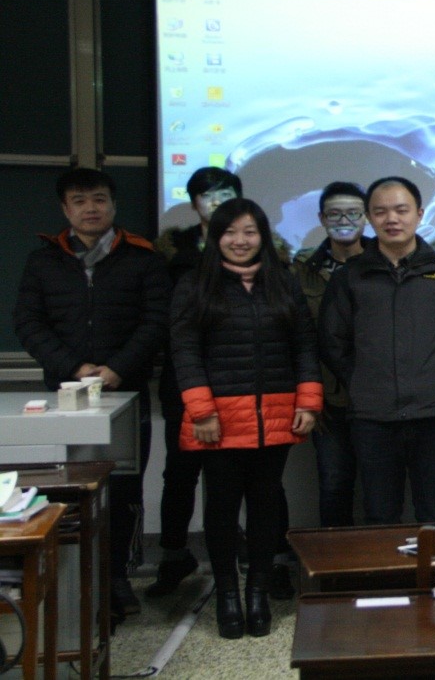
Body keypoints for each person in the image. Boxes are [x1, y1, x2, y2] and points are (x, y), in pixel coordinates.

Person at [14, 167, 170, 623]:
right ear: (65, 210)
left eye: (99, 199)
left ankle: (118, 577)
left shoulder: (143, 259)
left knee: (124, 487)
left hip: (126, 393)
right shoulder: (43, 261)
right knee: (65, 487)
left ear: (113, 205)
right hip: (64, 397)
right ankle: (70, 579)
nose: (90, 209)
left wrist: (118, 368)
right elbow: (28, 323)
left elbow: (157, 320)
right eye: (79, 201)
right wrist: (75, 368)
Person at [168, 198, 320, 639]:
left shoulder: (283, 282)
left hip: (276, 412)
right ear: (216, 237)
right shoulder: (195, 284)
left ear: (263, 237)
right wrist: (202, 411)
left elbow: (304, 346)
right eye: (230, 232)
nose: (240, 240)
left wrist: (308, 403)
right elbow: (184, 352)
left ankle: (257, 594)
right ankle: (227, 596)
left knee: (266, 505)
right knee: (220, 508)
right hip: (217, 417)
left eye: (250, 232)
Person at [320, 177, 435, 525]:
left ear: (419, 214)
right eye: (381, 212)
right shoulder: (349, 277)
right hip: (373, 417)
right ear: (369, 217)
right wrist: (362, 381)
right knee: (380, 513)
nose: (392, 219)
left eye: (401, 210)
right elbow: (333, 342)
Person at [148, 166, 242, 598]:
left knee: (245, 477)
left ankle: (256, 556)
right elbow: (162, 319)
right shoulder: (170, 255)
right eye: (208, 195)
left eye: (226, 194)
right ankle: (174, 555)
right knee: (180, 474)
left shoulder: (262, 250)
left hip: (243, 379)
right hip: (184, 380)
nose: (217, 202)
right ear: (193, 203)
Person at [292, 182, 367, 527]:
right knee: (334, 484)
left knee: (381, 486)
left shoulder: (384, 262)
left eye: (353, 213)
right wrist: (309, 395)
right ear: (322, 218)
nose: (344, 221)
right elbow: (297, 336)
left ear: (366, 217)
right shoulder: (302, 268)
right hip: (327, 397)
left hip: (376, 395)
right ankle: (335, 557)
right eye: (335, 214)